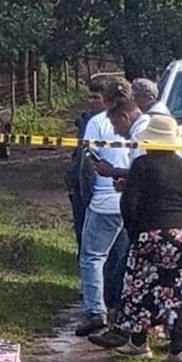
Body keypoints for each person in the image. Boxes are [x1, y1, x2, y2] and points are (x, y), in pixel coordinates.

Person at [112, 116, 182, 362]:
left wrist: (134, 229)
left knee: (141, 286)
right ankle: (178, 351)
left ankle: (139, 343)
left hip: (151, 231)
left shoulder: (142, 165)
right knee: (179, 292)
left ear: (150, 141)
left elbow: (130, 204)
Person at [75, 78, 132, 337]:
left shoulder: (97, 123)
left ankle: (95, 310)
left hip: (104, 199)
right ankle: (123, 308)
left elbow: (88, 160)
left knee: (92, 257)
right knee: (126, 257)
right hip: (133, 199)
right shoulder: (140, 121)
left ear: (106, 98)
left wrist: (84, 196)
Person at [66, 78, 107, 248]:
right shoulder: (85, 120)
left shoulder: (112, 123)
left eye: (96, 98)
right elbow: (80, 154)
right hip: (79, 185)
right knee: (82, 235)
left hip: (101, 189)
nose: (91, 102)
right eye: (89, 97)